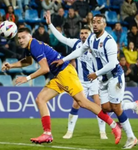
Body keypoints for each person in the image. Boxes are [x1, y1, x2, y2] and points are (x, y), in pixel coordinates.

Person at [2, 23, 122, 145]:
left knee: (83, 102)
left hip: (65, 73)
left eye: (23, 37)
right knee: (40, 99)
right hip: (58, 75)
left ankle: (114, 125)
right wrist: (11, 65)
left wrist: (26, 78)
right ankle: (47, 134)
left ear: (29, 36)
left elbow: (45, 69)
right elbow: (27, 62)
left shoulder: (33, 45)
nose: (21, 40)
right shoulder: (29, 47)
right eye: (19, 38)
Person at [52, 14, 137, 148]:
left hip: (114, 77)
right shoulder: (91, 38)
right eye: (94, 22)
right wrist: (64, 59)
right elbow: (80, 50)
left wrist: (95, 74)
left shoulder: (109, 41)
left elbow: (112, 63)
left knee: (116, 108)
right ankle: (132, 106)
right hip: (102, 80)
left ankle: (131, 137)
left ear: (105, 25)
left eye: (99, 22)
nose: (95, 24)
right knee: (105, 108)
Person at [48, 21, 108, 139]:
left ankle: (103, 132)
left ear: (90, 34)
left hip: (94, 80)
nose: (83, 35)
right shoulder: (76, 43)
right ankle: (69, 132)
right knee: (76, 104)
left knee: (98, 104)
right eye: (82, 33)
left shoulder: (96, 45)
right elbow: (61, 38)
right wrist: (50, 24)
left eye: (86, 33)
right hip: (80, 81)